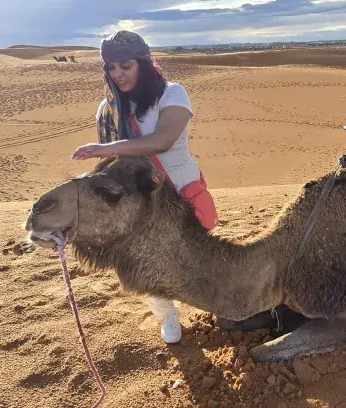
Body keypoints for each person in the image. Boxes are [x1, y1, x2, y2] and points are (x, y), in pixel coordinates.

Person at [71, 30, 218, 344]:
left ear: (144, 63)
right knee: (148, 263)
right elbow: (115, 167)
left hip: (181, 192)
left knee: (195, 256)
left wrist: (103, 149)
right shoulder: (108, 110)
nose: (117, 74)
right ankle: (168, 314)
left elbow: (163, 140)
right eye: (111, 67)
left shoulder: (172, 95)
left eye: (125, 65)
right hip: (142, 202)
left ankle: (213, 302)